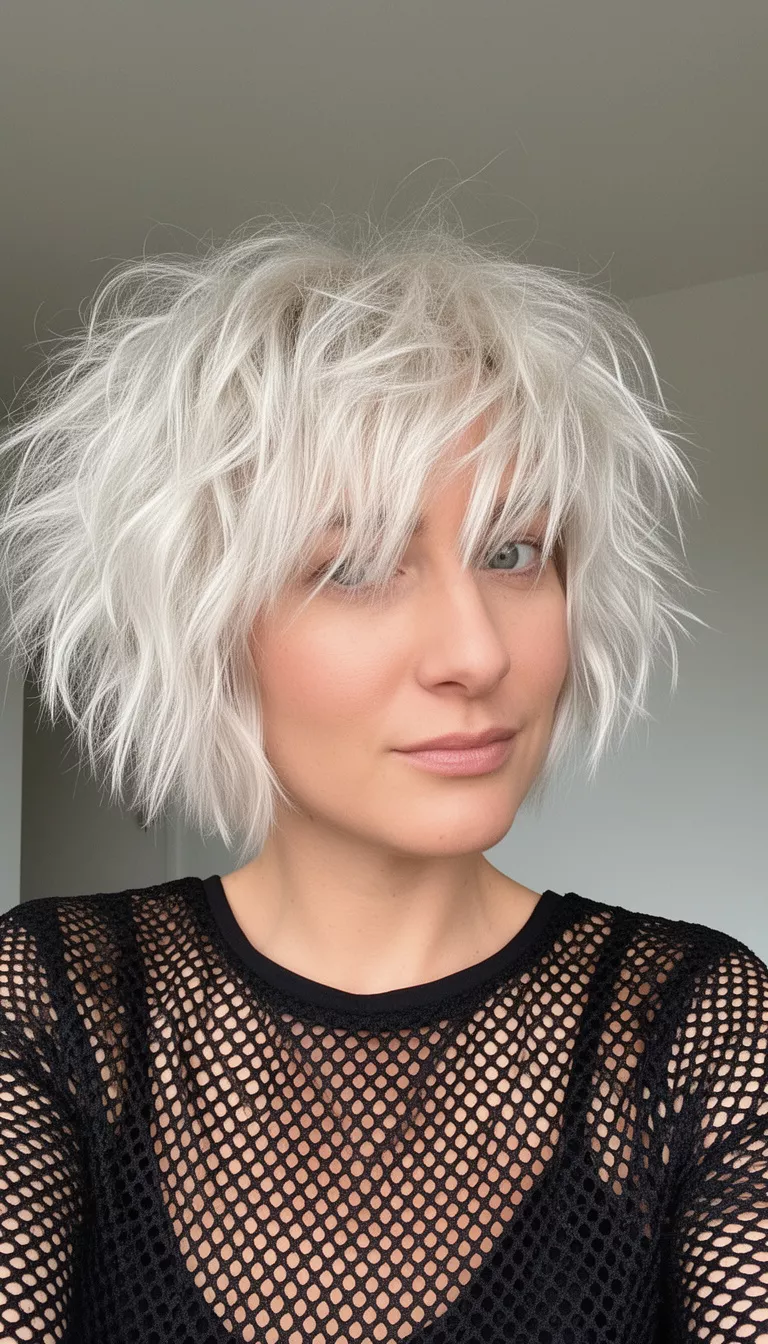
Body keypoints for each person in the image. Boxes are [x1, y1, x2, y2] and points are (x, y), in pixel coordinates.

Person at [0, 211, 766, 1344]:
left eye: (514, 553)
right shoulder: (62, 1001)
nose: (478, 654)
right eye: (357, 566)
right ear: (206, 627)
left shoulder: (689, 1022)